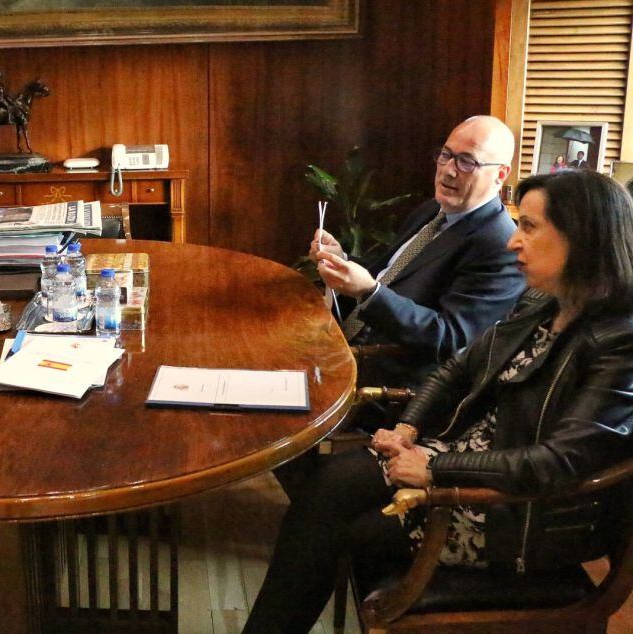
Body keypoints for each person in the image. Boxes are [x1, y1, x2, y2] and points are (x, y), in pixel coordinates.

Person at [244, 169, 633, 633]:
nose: (513, 243)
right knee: (325, 489)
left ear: (582, 236)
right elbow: (456, 368)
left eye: (528, 227)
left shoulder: (620, 339)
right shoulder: (544, 302)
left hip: (523, 513)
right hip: (464, 457)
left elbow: (556, 463)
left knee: (335, 529)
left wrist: (433, 470)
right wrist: (407, 428)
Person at [310, 115, 525, 392]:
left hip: (386, 386)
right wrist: (342, 259)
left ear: (500, 174)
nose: (448, 170)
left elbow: (451, 339)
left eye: (467, 161)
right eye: (446, 155)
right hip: (340, 347)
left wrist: (369, 293)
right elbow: (390, 274)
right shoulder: (433, 211)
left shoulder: (500, 245)